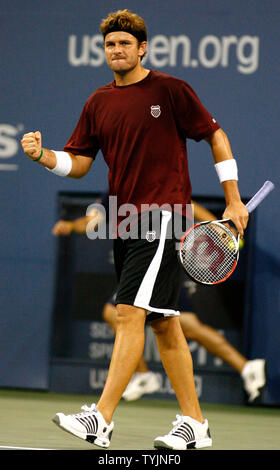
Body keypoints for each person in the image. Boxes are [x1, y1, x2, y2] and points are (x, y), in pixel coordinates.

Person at [21, 9, 249, 450]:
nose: (116, 50)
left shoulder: (170, 90)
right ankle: (196, 425)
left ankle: (100, 419)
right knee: (164, 324)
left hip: (165, 216)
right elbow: (80, 162)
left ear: (142, 48)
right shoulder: (98, 102)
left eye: (125, 43)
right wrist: (44, 156)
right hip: (126, 221)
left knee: (129, 314)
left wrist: (234, 197)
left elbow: (215, 136)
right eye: (110, 44)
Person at [53, 196, 266, 404]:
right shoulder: (113, 193)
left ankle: (143, 376)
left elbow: (188, 205)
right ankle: (246, 367)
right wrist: (71, 226)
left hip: (156, 258)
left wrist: (219, 227)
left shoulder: (150, 181)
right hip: (149, 261)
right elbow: (92, 221)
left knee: (114, 312)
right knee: (187, 325)